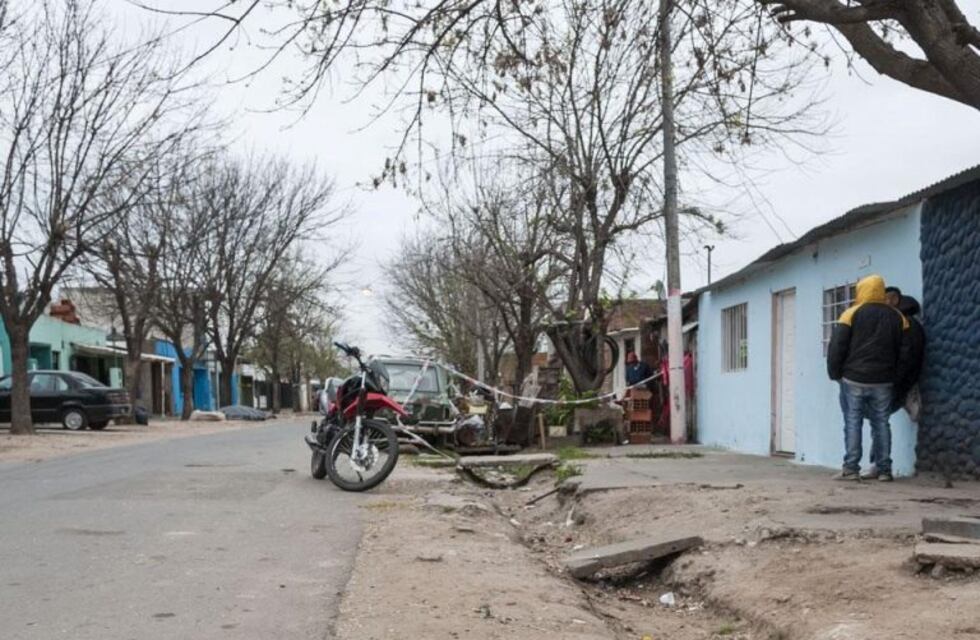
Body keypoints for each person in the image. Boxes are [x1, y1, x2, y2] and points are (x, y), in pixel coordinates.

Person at [827, 274, 909, 482]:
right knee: (881, 423)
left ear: (861, 290)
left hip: (853, 378)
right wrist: (897, 377)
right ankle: (884, 470)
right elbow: (905, 351)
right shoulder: (898, 317)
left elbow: (837, 346)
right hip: (884, 381)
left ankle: (851, 469)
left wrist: (835, 373)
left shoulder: (851, 313)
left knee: (853, 422)